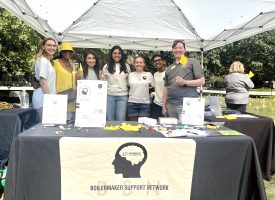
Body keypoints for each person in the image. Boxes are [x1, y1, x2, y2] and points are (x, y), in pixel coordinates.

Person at [162, 40, 205, 119]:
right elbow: (166, 88)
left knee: (187, 130)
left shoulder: (192, 62)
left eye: (180, 48)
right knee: (172, 129)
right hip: (171, 105)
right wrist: (163, 106)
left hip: (188, 104)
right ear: (172, 50)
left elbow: (202, 81)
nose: (178, 50)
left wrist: (185, 82)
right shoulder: (169, 68)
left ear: (184, 50)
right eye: (175, 48)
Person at [53, 42, 82, 121]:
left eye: (69, 51)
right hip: (59, 97)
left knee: (71, 124)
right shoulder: (54, 63)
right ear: (61, 52)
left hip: (72, 98)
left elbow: (79, 81)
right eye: (65, 51)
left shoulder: (76, 64)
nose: (67, 52)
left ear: (72, 52)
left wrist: (78, 75)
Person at [102, 45, 131, 121]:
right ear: (111, 54)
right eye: (115, 53)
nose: (117, 55)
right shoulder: (106, 67)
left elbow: (128, 83)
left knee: (120, 120)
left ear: (121, 54)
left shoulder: (126, 66)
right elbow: (103, 83)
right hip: (109, 96)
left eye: (119, 53)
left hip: (122, 97)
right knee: (110, 120)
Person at [32, 38, 57, 122]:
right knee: (44, 126)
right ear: (43, 46)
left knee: (47, 126)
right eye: (49, 45)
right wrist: (50, 100)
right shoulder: (43, 60)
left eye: (54, 45)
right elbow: (43, 82)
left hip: (46, 97)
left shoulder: (47, 61)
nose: (52, 47)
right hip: (43, 98)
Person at [128, 56, 154, 121]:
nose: (138, 64)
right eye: (136, 62)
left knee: (143, 127)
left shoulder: (149, 74)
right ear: (134, 64)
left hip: (144, 104)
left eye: (140, 62)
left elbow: (154, 87)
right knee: (133, 126)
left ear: (144, 64)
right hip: (132, 103)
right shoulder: (130, 75)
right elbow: (127, 86)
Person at [150, 54, 166, 119]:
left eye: (159, 60)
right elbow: (155, 87)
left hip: (166, 105)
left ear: (164, 62)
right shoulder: (155, 74)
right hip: (156, 103)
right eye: (155, 61)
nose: (157, 62)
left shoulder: (168, 72)